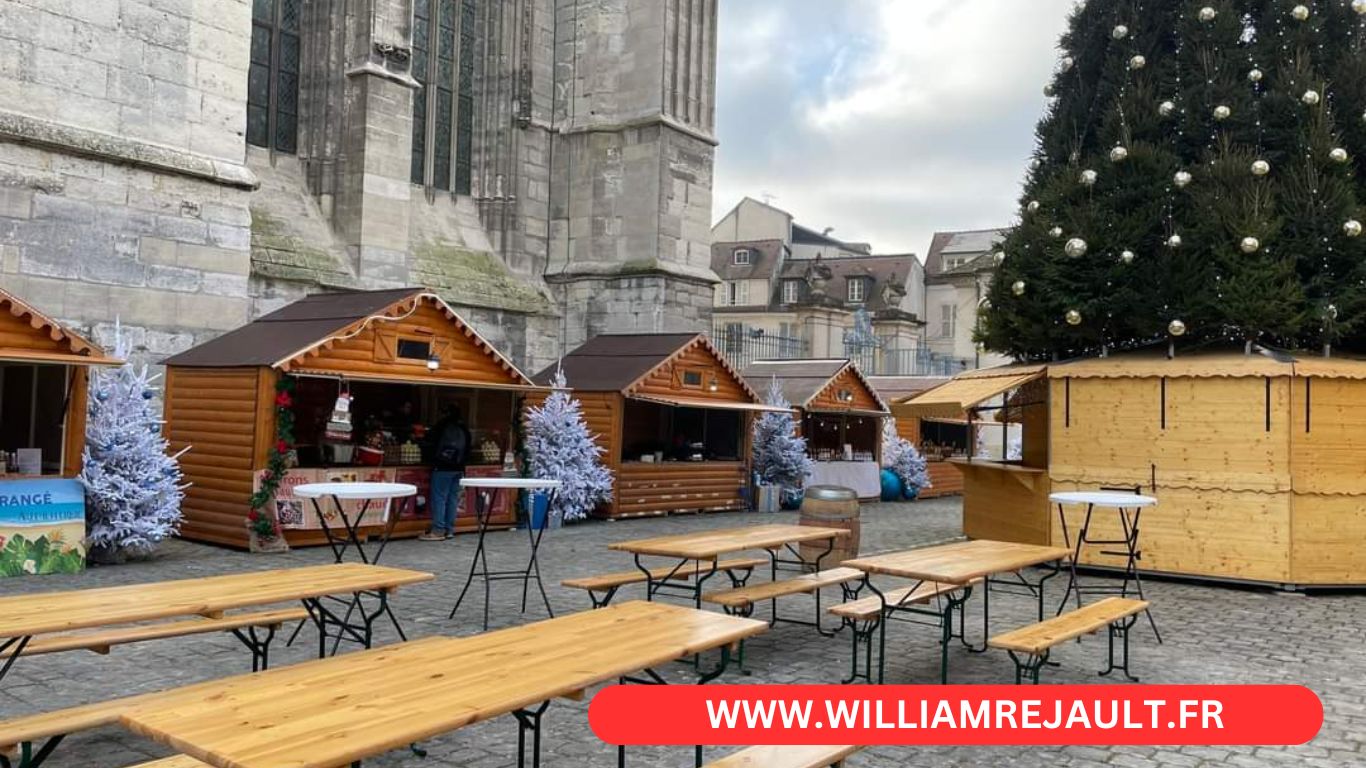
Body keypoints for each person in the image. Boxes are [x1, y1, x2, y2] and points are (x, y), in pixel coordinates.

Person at [421, 404, 472, 541]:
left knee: (439, 498)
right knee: (452, 498)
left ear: (444, 413)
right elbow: (468, 448)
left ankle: (438, 530)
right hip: (459, 468)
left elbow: (429, 443)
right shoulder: (463, 427)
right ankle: (449, 530)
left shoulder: (441, 426)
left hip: (442, 467)